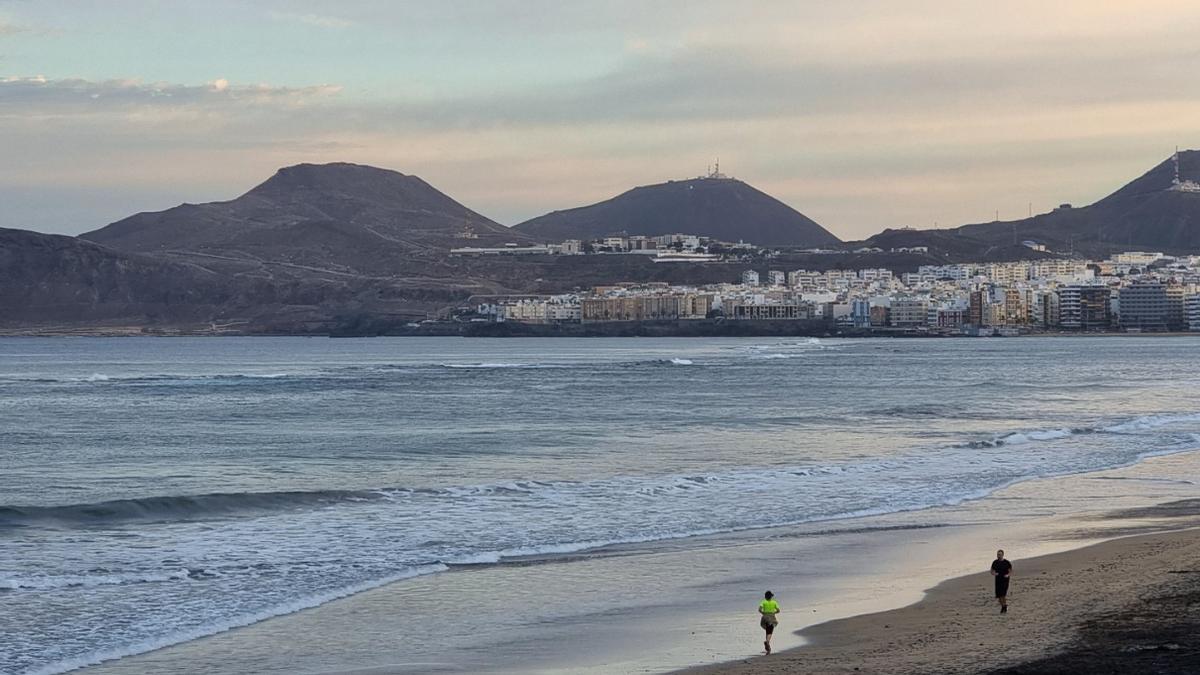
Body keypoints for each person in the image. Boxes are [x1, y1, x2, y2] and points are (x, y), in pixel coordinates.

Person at [990, 549, 1012, 613]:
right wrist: (994, 573)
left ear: (1002, 555)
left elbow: (1010, 570)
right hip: (998, 580)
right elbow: (992, 570)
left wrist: (1008, 575)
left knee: (1003, 594)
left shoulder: (1006, 562)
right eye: (997, 554)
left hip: (1005, 580)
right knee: (999, 596)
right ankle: (1004, 606)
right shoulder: (995, 562)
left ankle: (1003, 607)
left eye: (1000, 554)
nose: (998, 556)